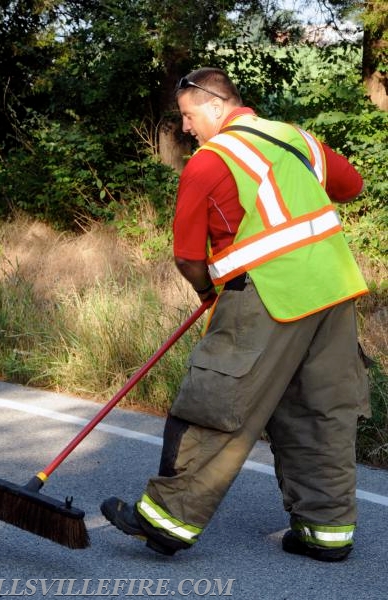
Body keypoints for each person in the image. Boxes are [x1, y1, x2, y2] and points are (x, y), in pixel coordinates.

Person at [100, 67, 371, 561]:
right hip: (334, 294)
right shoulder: (295, 138)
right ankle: (326, 533)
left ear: (217, 106)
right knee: (321, 411)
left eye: (188, 115)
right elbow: (350, 185)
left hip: (267, 297)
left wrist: (209, 291)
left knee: (218, 399)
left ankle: (167, 520)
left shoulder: (210, 160)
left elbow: (187, 256)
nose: (185, 127)